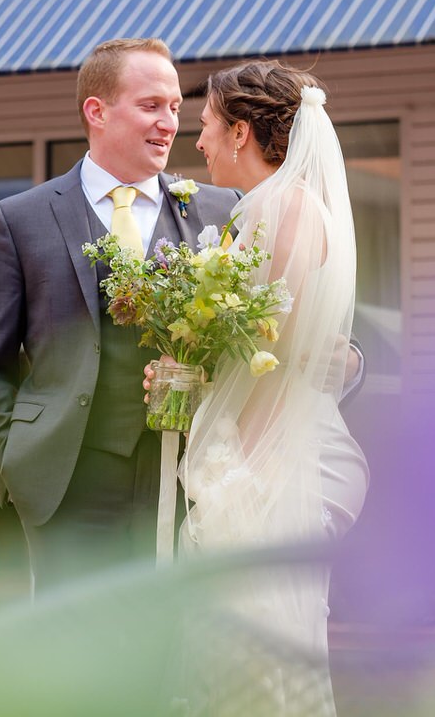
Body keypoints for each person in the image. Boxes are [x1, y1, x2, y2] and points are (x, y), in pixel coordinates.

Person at [0, 38, 242, 594]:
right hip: (64, 486)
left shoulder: (218, 209)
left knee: (166, 653)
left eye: (175, 109)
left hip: (184, 482)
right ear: (97, 110)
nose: (168, 123)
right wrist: (14, 470)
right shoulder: (20, 220)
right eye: (150, 106)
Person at [178, 60, 370, 715]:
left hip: (264, 460)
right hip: (253, 450)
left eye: (204, 125)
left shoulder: (283, 209)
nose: (197, 142)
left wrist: (246, 475)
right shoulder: (265, 207)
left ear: (240, 133)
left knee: (250, 656)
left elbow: (270, 354)